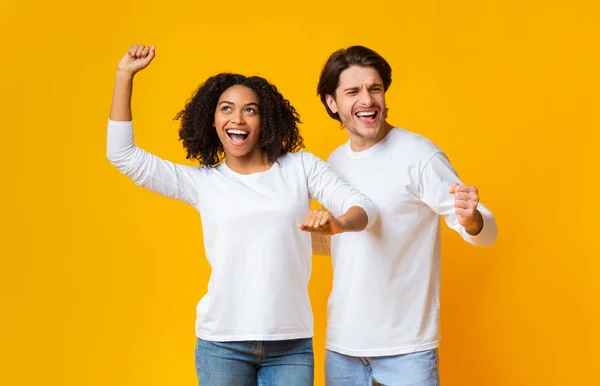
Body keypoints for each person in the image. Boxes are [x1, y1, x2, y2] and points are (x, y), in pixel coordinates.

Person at [106, 44, 378, 386]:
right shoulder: (203, 182)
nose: (237, 118)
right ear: (213, 120)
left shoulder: (300, 167)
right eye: (226, 109)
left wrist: (337, 224)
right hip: (222, 344)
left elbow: (364, 208)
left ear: (264, 120)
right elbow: (123, 156)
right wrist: (124, 76)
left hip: (290, 344)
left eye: (250, 110)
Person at [314, 45, 498, 385]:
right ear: (331, 102)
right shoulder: (334, 162)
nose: (367, 100)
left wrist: (472, 219)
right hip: (343, 346)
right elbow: (344, 246)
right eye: (353, 91)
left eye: (375, 89)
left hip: (407, 348)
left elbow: (484, 231)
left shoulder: (419, 155)